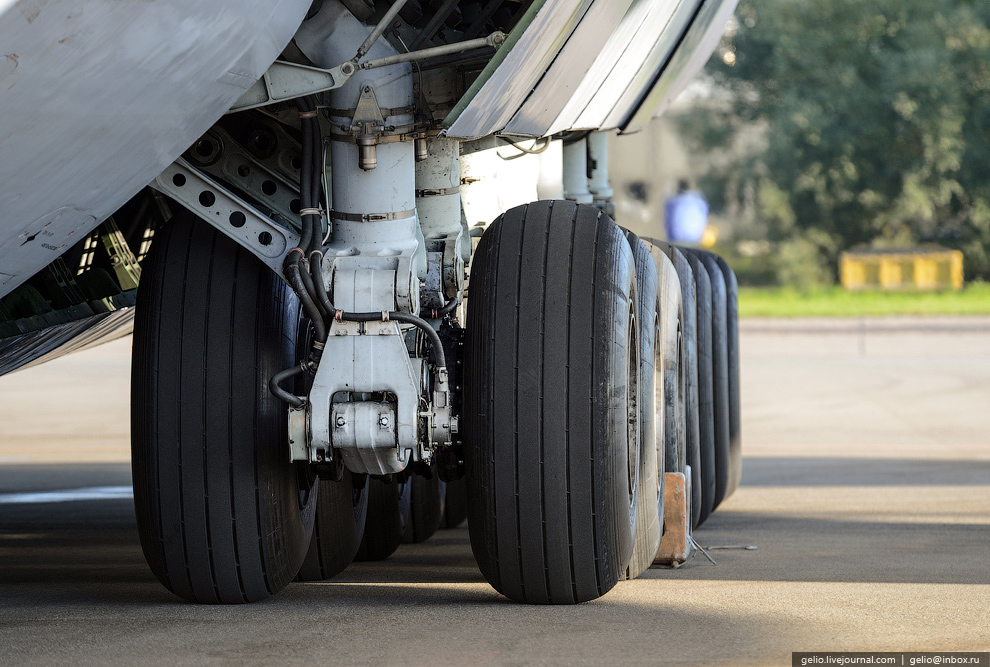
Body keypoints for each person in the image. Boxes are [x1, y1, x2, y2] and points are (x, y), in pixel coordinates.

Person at [664, 179, 709, 244]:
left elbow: (668, 218)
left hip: (677, 238)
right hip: (695, 238)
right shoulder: (700, 201)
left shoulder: (674, 201)